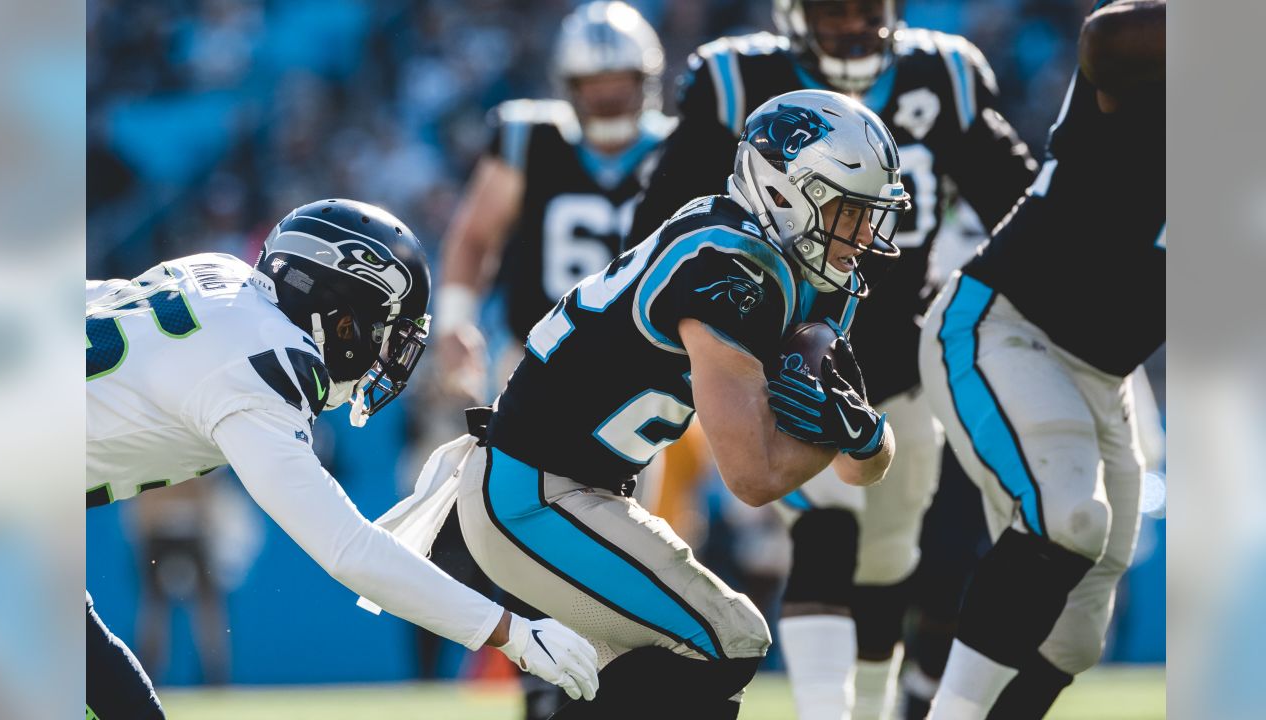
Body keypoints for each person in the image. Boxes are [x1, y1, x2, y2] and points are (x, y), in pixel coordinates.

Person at [627, 2, 1038, 717]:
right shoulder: (738, 78)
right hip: (785, 347)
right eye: (832, 8)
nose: (850, 23)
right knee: (823, 531)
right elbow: (661, 221)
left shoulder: (942, 75)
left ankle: (871, 709)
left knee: (886, 564)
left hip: (905, 361)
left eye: (865, 7)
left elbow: (1024, 208)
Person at [451, 89, 904, 720]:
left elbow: (861, 467)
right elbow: (755, 475)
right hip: (532, 493)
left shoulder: (803, 274)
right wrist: (848, 434)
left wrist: (866, 435)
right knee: (727, 638)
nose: (862, 234)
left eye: (869, 214)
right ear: (784, 191)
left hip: (581, 493)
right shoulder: (729, 261)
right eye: (848, 211)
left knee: (689, 651)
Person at [84, 199, 599, 719]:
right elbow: (349, 548)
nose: (384, 356)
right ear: (339, 319)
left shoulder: (220, 276)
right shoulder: (261, 368)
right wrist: (511, 632)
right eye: (383, 332)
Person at [916, 2, 1165, 717]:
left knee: (1074, 637)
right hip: (1005, 326)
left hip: (1104, 374)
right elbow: (1108, 35)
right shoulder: (1160, 58)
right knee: (1066, 519)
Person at [433, 0, 673, 403]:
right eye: (595, 84)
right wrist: (454, 322)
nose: (609, 96)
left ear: (644, 80)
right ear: (569, 86)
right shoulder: (529, 139)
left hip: (646, 364)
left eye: (619, 82)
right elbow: (474, 237)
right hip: (536, 356)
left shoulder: (677, 149)